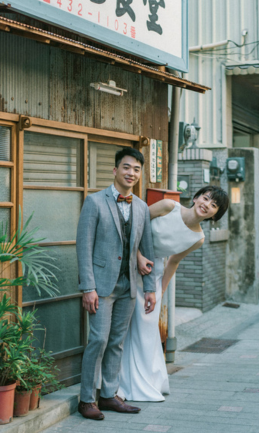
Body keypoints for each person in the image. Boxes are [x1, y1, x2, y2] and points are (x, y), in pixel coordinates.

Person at [118, 185, 229, 402]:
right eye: (205, 199)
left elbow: (173, 261)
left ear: (216, 214)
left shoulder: (198, 238)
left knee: (146, 331)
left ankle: (146, 382)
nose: (207, 205)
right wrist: (139, 255)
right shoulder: (169, 206)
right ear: (196, 198)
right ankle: (118, 381)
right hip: (130, 262)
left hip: (153, 275)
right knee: (122, 325)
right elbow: (134, 225)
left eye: (214, 205)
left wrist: (161, 290)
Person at [76, 147, 156, 420]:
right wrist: (88, 288)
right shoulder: (95, 202)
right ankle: (86, 399)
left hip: (129, 287)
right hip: (101, 286)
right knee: (98, 340)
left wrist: (150, 289)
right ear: (115, 170)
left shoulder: (143, 207)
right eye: (126, 167)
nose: (131, 173)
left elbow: (148, 250)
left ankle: (109, 395)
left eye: (136, 169)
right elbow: (84, 247)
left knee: (117, 342)